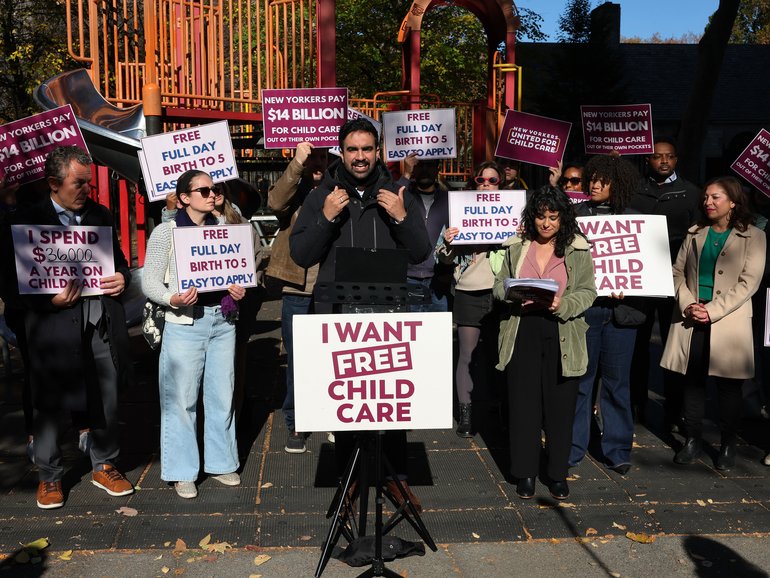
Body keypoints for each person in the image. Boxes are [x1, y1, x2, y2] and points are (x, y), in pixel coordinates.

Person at [290, 118, 432, 510]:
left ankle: (396, 479)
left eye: (367, 149)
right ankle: (349, 480)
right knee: (348, 407)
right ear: (341, 151)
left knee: (390, 404)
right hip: (338, 314)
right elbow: (301, 255)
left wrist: (402, 217)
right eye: (352, 149)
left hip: (388, 315)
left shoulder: (398, 191)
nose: (360, 157)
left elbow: (421, 252)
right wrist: (326, 218)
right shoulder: (322, 195)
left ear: (378, 151)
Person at [13, 146, 134, 509]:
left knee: (107, 393)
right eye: (78, 183)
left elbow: (121, 263)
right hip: (51, 324)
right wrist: (46, 302)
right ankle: (49, 476)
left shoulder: (100, 215)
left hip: (99, 319)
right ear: (54, 183)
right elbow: (10, 282)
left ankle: (104, 462)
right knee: (48, 401)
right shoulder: (25, 220)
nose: (86, 190)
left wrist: (121, 279)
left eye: (88, 183)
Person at [143, 169, 246, 499]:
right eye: (203, 190)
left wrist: (238, 289)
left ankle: (221, 462)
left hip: (223, 320)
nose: (211, 194)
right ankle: (182, 471)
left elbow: (238, 271)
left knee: (221, 394)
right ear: (185, 198)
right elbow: (149, 282)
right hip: (184, 324)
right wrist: (171, 298)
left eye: (213, 189)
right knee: (181, 399)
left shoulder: (225, 230)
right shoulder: (165, 232)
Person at [493, 186, 596, 500]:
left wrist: (562, 305)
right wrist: (510, 294)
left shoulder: (577, 249)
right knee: (523, 407)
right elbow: (498, 285)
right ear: (532, 217)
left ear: (563, 218)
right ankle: (524, 473)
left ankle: (556, 473)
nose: (547, 223)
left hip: (561, 331)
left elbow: (588, 291)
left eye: (553, 217)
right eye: (541, 216)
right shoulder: (515, 247)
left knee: (559, 408)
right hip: (522, 329)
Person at [661, 176, 766, 471]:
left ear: (733, 201)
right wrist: (688, 305)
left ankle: (728, 444)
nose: (708, 202)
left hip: (728, 321)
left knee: (728, 389)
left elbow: (749, 282)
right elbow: (676, 273)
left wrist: (713, 311)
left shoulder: (754, 237)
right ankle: (692, 439)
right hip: (691, 318)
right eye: (706, 197)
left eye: (715, 197)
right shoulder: (695, 233)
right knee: (692, 383)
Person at [570, 155, 643, 475]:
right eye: (592, 178)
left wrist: (628, 284)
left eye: (604, 180)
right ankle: (573, 447)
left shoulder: (636, 220)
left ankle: (617, 448)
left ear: (619, 184)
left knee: (616, 383)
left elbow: (648, 269)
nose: (595, 184)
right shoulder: (574, 218)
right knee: (580, 382)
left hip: (621, 315)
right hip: (586, 312)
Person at [629, 137, 701, 427]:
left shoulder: (691, 192)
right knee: (638, 344)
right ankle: (636, 406)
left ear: (676, 159)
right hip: (640, 277)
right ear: (647, 159)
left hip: (675, 278)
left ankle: (675, 411)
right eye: (657, 156)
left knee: (675, 345)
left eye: (669, 156)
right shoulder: (634, 191)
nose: (663, 161)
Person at [266, 141, 327, 453]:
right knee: (299, 358)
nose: (316, 163)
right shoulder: (295, 187)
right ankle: (297, 422)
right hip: (297, 286)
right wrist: (296, 163)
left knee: (333, 357)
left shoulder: (338, 185)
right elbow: (275, 202)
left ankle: (332, 415)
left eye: (321, 157)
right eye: (310, 157)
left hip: (330, 285)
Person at [437, 162, 504, 437]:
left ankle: (500, 409)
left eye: (492, 179)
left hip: (502, 293)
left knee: (500, 357)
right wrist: (449, 244)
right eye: (481, 179)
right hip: (469, 291)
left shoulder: (515, 213)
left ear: (500, 183)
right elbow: (440, 256)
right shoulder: (459, 213)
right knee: (467, 356)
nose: (486, 183)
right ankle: (466, 414)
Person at [398, 153, 451, 312]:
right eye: (420, 165)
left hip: (439, 280)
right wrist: (405, 174)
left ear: (437, 169)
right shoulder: (404, 195)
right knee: (411, 334)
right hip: (407, 279)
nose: (425, 170)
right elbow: (391, 198)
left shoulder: (450, 199)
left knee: (437, 336)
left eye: (430, 165)